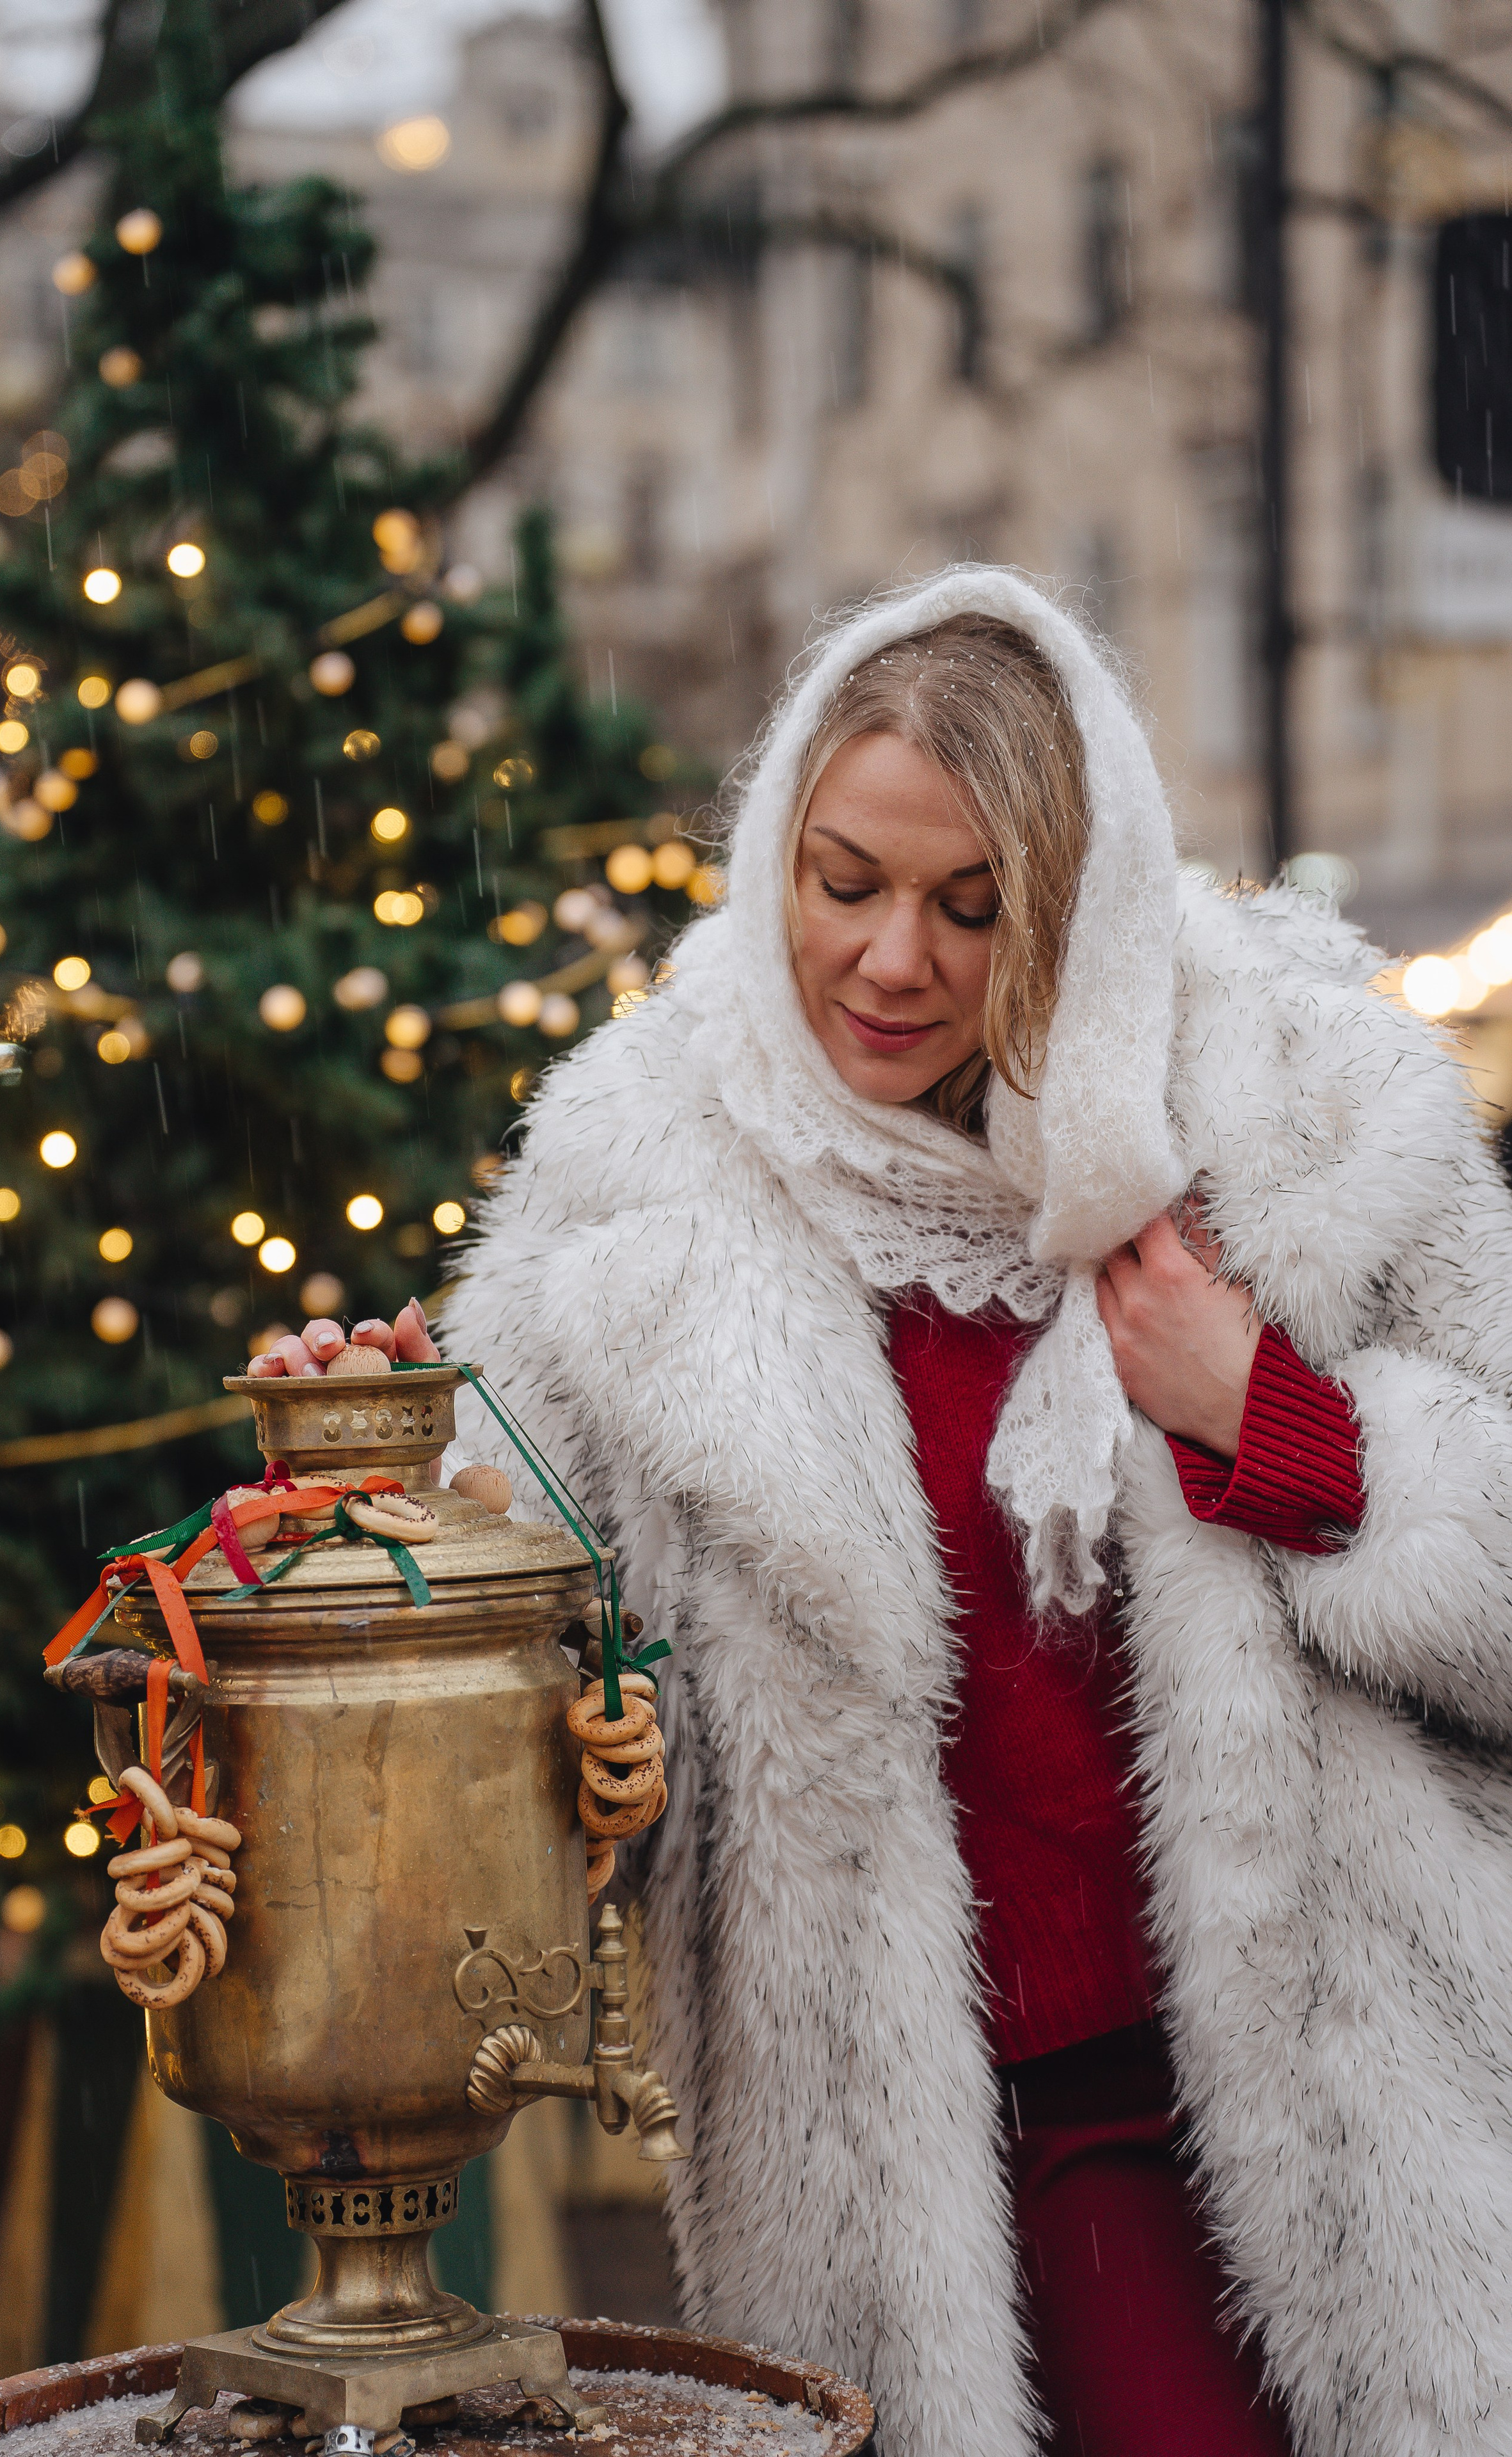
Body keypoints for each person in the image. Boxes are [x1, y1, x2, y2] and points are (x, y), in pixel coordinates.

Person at [255, 568, 1512, 2457]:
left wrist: (1275, 1417)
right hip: (895, 2148)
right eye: (844, 883)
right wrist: (363, 1497)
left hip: (1352, 2092)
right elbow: (525, 1706)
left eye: (973, 907)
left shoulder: (1301, 1119)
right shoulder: (634, 1197)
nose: (893, 960)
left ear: (1075, 904)